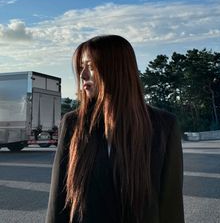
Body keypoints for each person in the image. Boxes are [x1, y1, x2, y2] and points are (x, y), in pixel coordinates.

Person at [46, 35, 185, 223]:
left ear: (117, 69)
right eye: (81, 67)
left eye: (91, 66)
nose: (83, 75)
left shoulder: (164, 125)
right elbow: (58, 201)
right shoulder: (73, 123)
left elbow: (171, 205)